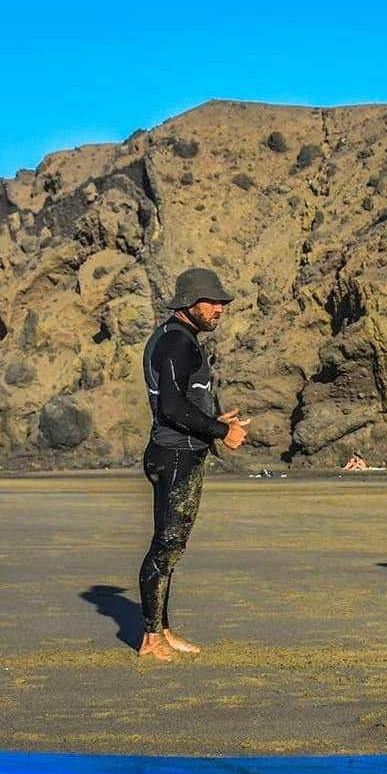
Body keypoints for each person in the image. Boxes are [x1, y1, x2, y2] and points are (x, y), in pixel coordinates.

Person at [138, 267, 248, 662]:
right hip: (175, 456)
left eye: (221, 303)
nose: (219, 309)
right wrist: (221, 431)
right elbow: (171, 407)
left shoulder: (176, 338)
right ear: (189, 304)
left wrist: (216, 419)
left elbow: (183, 400)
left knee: (170, 547)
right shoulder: (178, 343)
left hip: (174, 453)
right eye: (212, 302)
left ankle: (162, 630)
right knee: (166, 547)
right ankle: (151, 640)